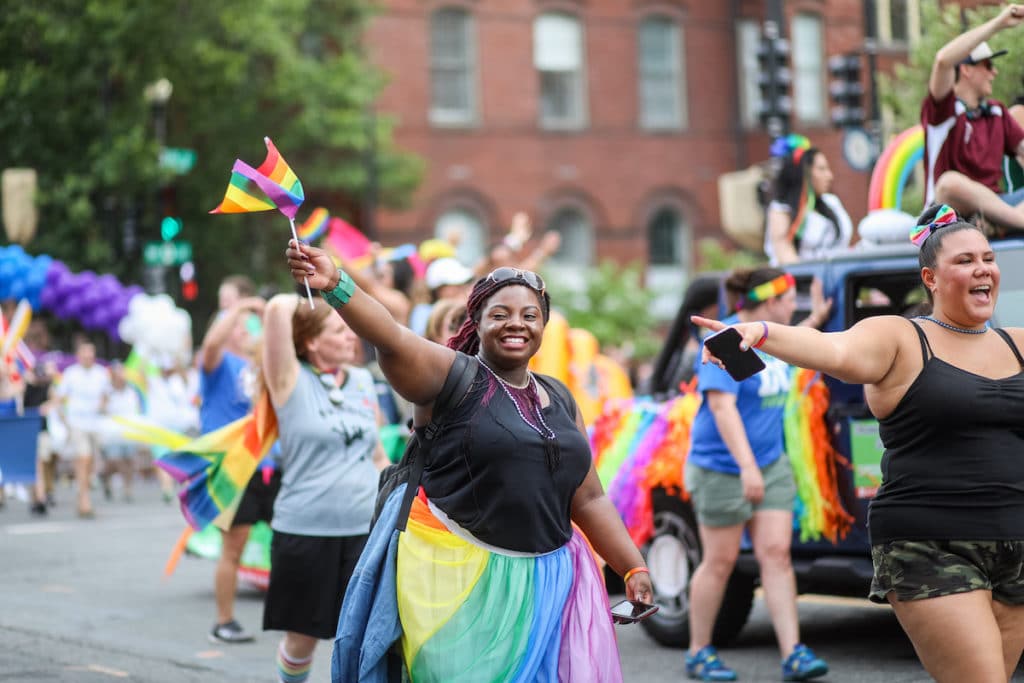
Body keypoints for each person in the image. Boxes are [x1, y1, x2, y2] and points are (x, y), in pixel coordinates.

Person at [285, 242, 654, 682]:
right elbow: (391, 335)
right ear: (475, 323)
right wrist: (337, 285)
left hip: (551, 583)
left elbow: (588, 497)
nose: (516, 323)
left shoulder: (558, 396)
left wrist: (633, 565)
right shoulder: (452, 376)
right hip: (460, 581)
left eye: (529, 315)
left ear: (544, 326)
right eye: (499, 314)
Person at [693, 204, 1024, 682]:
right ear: (930, 277)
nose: (982, 269)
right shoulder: (901, 337)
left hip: (1015, 542)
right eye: (965, 260)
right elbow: (835, 350)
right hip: (932, 545)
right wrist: (760, 332)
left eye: (988, 258)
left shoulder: (1016, 344)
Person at [684, 268, 831, 682]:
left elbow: (788, 347)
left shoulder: (769, 337)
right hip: (721, 467)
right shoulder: (725, 341)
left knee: (776, 556)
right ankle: (699, 651)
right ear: (769, 299)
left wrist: (817, 319)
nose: (793, 305)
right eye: (789, 298)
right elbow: (721, 408)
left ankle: (794, 653)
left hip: (770, 463)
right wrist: (747, 469)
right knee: (721, 560)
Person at [261, 293, 388, 683]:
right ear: (311, 342)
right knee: (303, 638)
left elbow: (376, 453)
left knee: (366, 637)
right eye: (339, 329)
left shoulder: (364, 380)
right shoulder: (289, 380)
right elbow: (274, 311)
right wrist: (306, 292)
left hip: (364, 532)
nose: (352, 336)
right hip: (305, 530)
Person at [198, 292, 280, 644]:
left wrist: (269, 317)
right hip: (232, 469)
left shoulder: (266, 367)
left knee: (292, 542)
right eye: (235, 325)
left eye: (247, 325)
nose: (242, 330)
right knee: (233, 547)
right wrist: (241, 308)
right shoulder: (217, 367)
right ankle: (224, 621)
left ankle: (291, 621)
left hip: (272, 466)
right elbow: (212, 343)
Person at [923, 4, 1024, 233]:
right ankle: (1009, 223)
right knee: (949, 183)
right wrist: (999, 23)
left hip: (998, 208)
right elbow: (943, 61)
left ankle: (995, 223)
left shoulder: (997, 112)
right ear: (966, 70)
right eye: (988, 65)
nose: (994, 72)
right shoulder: (944, 111)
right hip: (947, 217)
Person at [765, 137, 853, 265]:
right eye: (822, 169)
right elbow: (784, 253)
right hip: (803, 280)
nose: (829, 176)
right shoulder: (781, 210)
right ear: (803, 173)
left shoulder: (832, 202)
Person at [55, 341, 110, 518]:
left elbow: (105, 396)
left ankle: (82, 493)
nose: (88, 357)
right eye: (84, 354)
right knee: (84, 457)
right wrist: (62, 419)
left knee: (90, 461)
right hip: (77, 422)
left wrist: (102, 406)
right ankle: (84, 499)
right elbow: (60, 397)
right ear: (78, 355)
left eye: (90, 354)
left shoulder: (101, 373)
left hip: (94, 423)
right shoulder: (71, 374)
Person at [97, 361, 142, 502]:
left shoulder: (131, 390)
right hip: (112, 432)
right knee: (114, 460)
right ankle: (105, 476)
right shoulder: (107, 391)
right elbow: (101, 409)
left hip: (128, 430)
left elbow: (137, 409)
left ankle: (128, 488)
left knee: (129, 460)